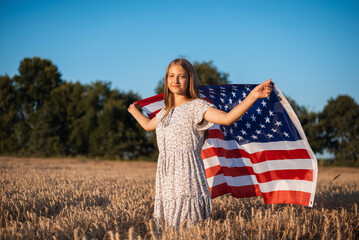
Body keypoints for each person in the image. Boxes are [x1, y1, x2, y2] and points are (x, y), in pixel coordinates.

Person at [127, 58, 273, 228]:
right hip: (165, 176)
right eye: (171, 76)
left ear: (190, 80)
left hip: (186, 174)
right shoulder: (165, 111)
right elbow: (147, 126)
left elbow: (227, 119)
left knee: (186, 225)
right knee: (168, 228)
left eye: (181, 76)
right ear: (166, 80)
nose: (175, 81)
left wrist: (253, 96)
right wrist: (133, 111)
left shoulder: (197, 106)